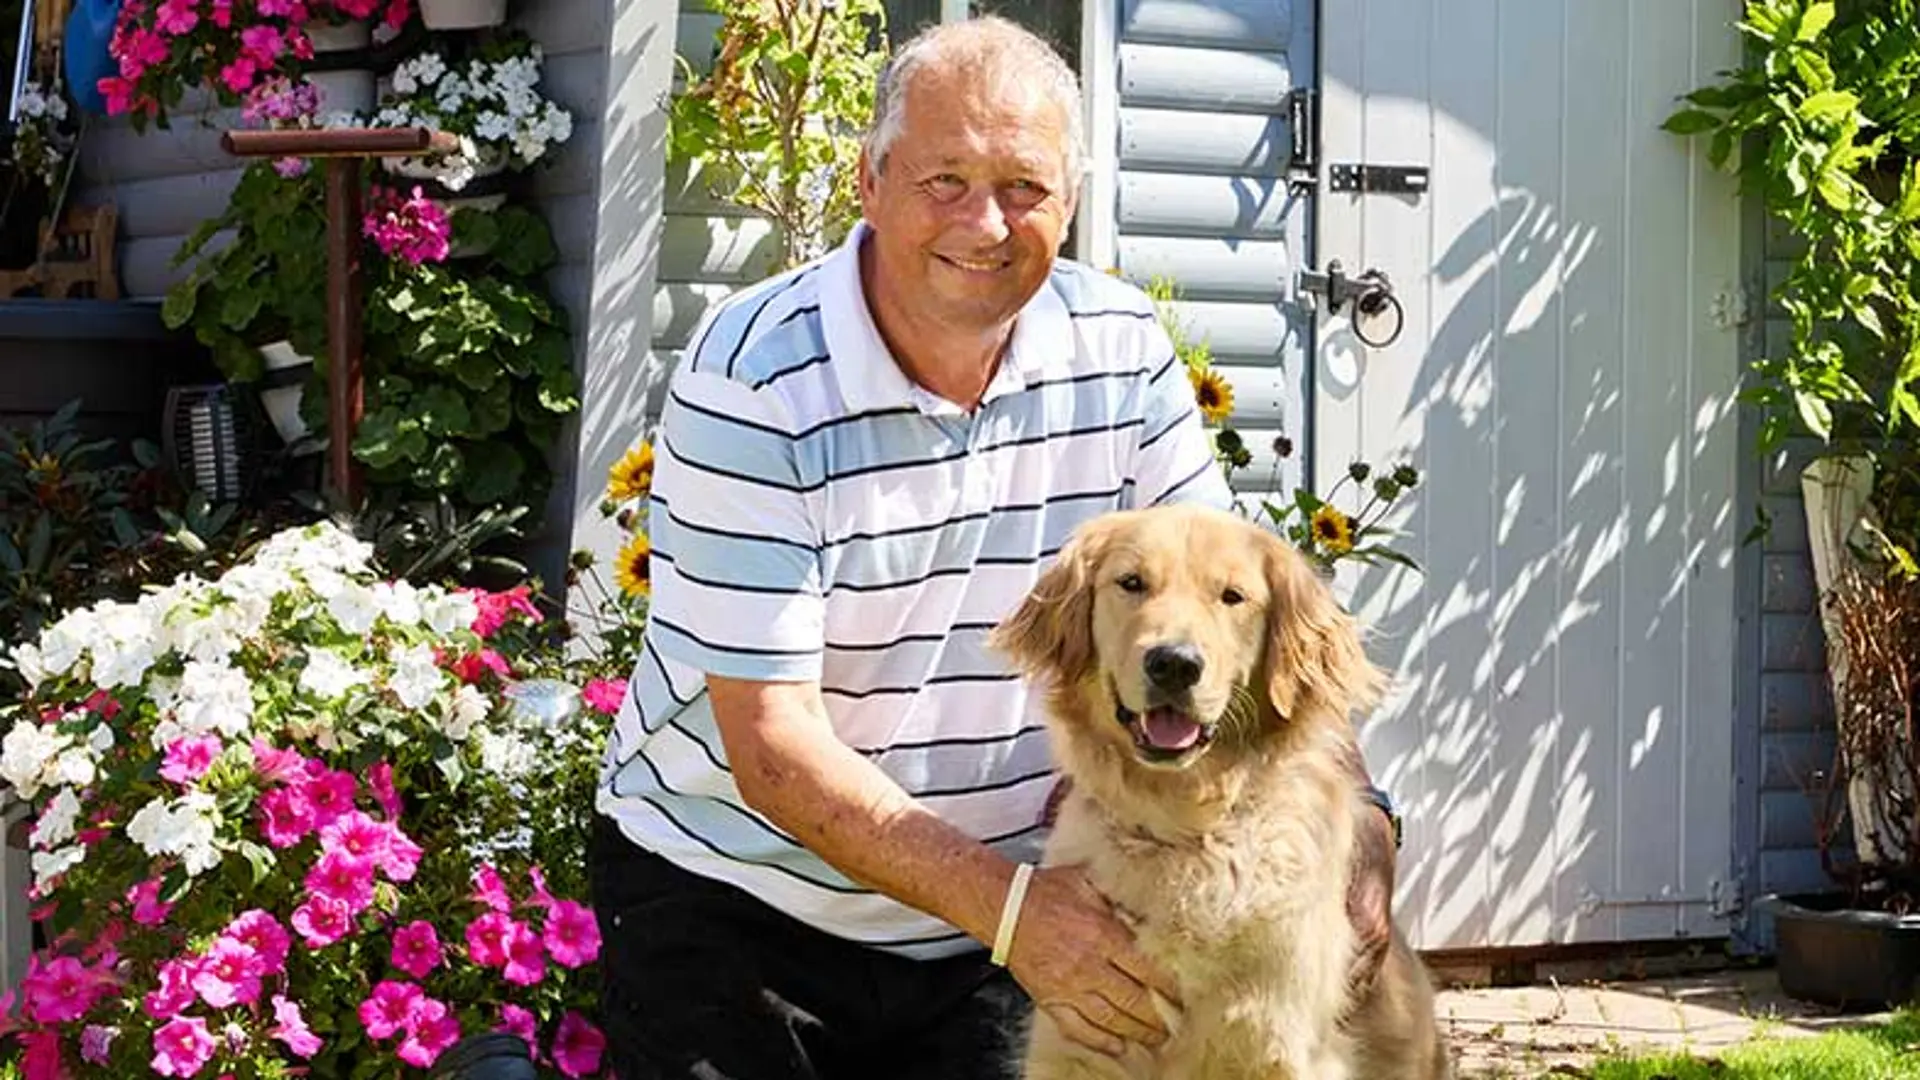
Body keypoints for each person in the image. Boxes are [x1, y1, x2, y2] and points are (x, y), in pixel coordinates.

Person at [586, 14, 1401, 1080]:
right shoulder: (751, 377)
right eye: (945, 181)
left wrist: (1367, 823)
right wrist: (1017, 914)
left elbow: (1236, 614)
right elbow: (774, 746)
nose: (986, 221)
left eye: (1025, 186)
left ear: (1069, 201)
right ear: (869, 183)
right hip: (742, 899)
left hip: (992, 916)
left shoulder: (1120, 352)